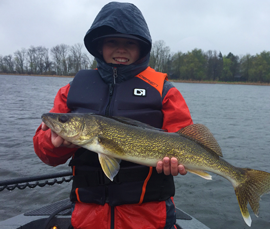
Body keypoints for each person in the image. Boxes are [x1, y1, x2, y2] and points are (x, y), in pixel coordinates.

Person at [33, 2, 193, 229]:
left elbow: (186, 136)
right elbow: (45, 153)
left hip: (147, 219)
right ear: (99, 46)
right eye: (112, 42)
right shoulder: (71, 91)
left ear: (142, 48)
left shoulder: (164, 90)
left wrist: (176, 163)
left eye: (129, 42)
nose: (121, 49)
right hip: (88, 218)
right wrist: (54, 143)